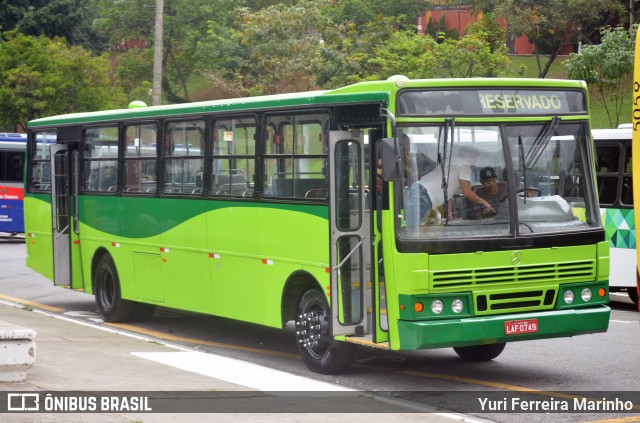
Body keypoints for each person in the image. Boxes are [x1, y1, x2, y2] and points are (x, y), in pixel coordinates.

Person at [404, 145, 495, 226]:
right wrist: (485, 203)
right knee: (412, 231)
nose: (475, 162)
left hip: (418, 191)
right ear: (468, 155)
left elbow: (447, 197)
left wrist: (450, 218)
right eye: (475, 158)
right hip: (423, 195)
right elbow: (467, 193)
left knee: (414, 228)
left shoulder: (450, 162)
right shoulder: (464, 164)